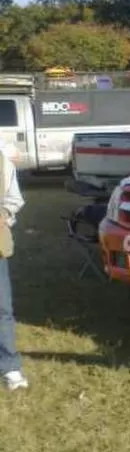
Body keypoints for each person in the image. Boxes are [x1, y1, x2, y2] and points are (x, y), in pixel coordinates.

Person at [0, 146, 26, 390]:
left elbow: (14, 198)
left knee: (2, 310)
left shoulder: (3, 162)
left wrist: (4, 213)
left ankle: (9, 366)